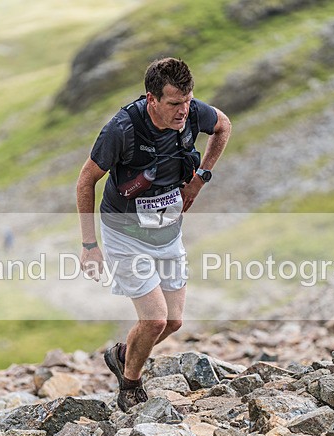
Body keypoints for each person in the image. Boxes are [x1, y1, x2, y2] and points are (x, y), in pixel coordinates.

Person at [76, 58, 231, 412]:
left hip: (167, 230)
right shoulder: (121, 129)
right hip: (123, 232)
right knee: (155, 319)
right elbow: (86, 181)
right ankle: (130, 386)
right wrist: (89, 246)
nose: (183, 111)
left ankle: (121, 355)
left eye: (188, 101)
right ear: (152, 99)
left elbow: (224, 127)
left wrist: (200, 179)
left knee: (174, 321)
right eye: (174, 103)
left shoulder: (193, 113)